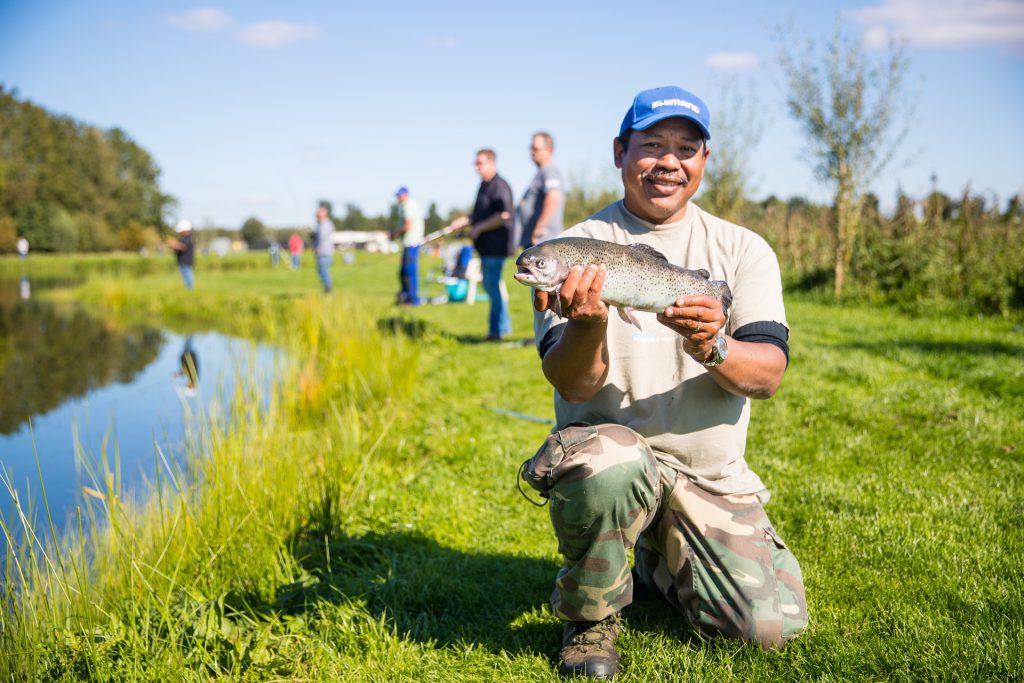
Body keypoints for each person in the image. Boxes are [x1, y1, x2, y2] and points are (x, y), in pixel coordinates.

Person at [521, 85, 807, 680]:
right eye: (651, 145)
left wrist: (713, 344)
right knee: (611, 461)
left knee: (769, 629)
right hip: (612, 460)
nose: (668, 162)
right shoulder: (569, 249)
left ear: (703, 161)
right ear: (620, 152)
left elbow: (768, 376)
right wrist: (588, 325)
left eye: (685, 148)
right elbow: (574, 385)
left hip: (709, 475)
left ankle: (652, 561)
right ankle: (590, 620)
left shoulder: (742, 250)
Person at [450, 149, 514, 340]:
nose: (477, 167)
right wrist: (466, 220)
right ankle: (502, 327)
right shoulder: (483, 186)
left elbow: (504, 215)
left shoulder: (500, 186)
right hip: (485, 247)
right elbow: (480, 214)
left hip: (496, 247)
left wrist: (479, 229)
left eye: (480, 163)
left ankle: (497, 331)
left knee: (492, 287)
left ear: (492, 162)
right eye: (475, 163)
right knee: (490, 287)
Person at [515, 131, 565, 250]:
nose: (532, 152)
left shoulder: (550, 171)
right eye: (531, 148)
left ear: (549, 150)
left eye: (535, 148)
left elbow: (553, 197)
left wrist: (539, 227)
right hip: (536, 241)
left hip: (543, 240)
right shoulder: (542, 173)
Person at [393, 186, 425, 305]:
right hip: (409, 243)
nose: (398, 198)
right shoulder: (407, 205)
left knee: (409, 271)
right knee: (403, 272)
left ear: (405, 195)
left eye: (399, 195)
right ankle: (405, 296)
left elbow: (407, 226)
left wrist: (394, 234)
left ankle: (412, 299)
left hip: (412, 242)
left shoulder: (408, 205)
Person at [166, 220, 196, 290]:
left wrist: (173, 244)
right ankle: (189, 290)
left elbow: (183, 247)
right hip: (184, 261)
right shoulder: (186, 238)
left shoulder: (188, 238)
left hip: (185, 261)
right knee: (186, 276)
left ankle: (190, 290)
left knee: (187, 276)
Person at [313, 203, 335, 293]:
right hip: (326, 251)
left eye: (318, 215)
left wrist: (317, 247)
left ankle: (328, 288)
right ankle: (327, 288)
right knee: (322, 270)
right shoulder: (326, 224)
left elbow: (322, 238)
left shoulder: (324, 225)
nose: (316, 216)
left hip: (323, 251)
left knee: (323, 270)